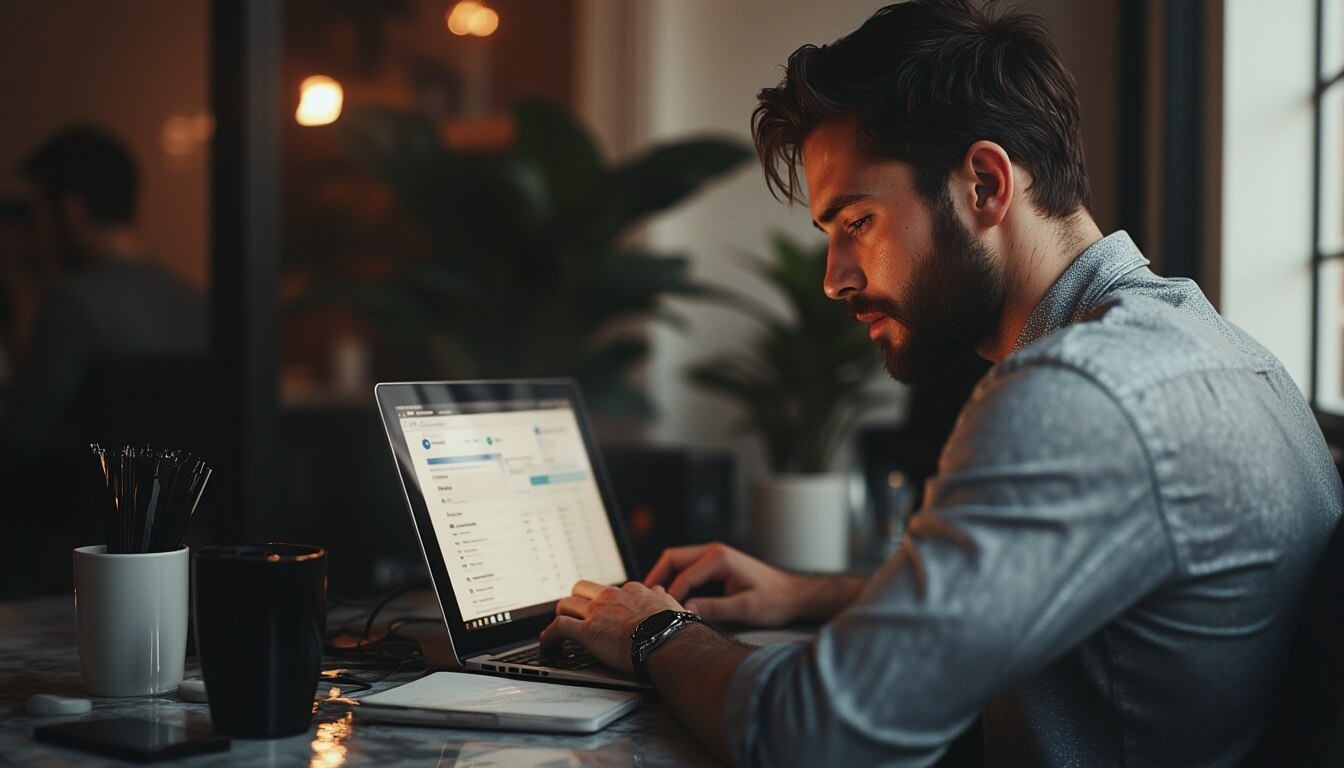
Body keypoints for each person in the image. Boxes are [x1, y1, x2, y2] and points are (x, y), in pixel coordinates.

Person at [537, 1, 1344, 765]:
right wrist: (811, 594)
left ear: (986, 185)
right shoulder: (1224, 351)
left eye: (857, 222)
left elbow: (814, 739)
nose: (834, 279)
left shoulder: (1076, 394)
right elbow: (1088, 593)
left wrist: (657, 633)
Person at [0, 125, 207, 599]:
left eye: (38, 217)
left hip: (87, 549)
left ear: (69, 209)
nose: (37, 235)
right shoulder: (196, 301)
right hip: (186, 544)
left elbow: (23, 438)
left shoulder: (75, 304)